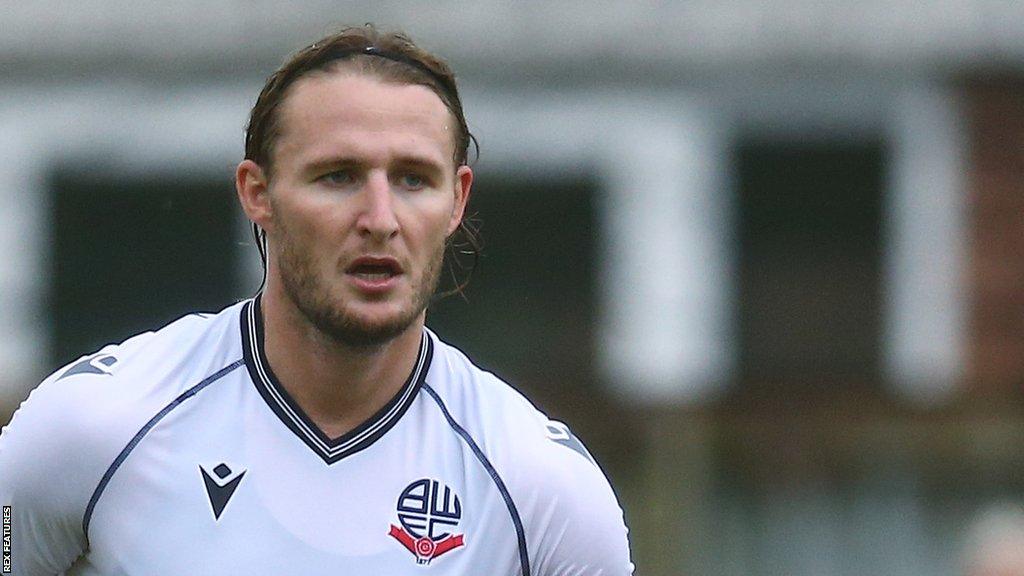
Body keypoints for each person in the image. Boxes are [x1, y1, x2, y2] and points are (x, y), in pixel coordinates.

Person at [0, 25, 633, 575]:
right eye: (339, 176)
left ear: (458, 200)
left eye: (414, 179)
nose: (380, 218)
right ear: (258, 193)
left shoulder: (543, 492)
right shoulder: (90, 430)